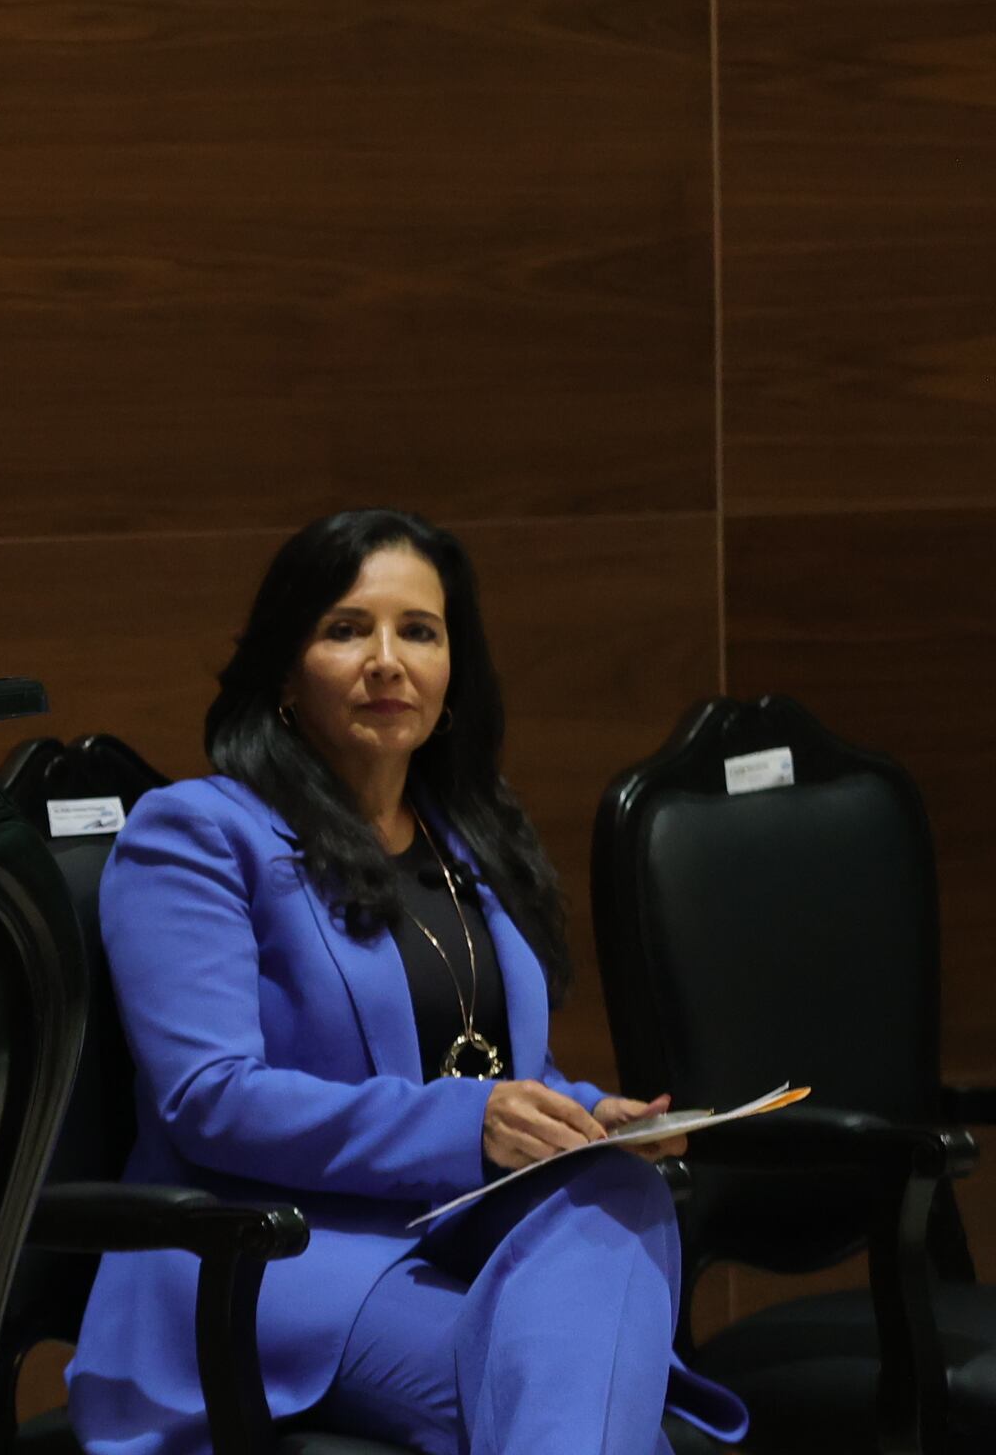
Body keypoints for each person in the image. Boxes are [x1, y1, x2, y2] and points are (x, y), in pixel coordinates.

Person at [64, 509, 746, 1455]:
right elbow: (208, 1099)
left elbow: (504, 1066)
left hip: (457, 1235)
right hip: (277, 1256)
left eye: (419, 632)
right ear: (284, 671)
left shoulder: (466, 839)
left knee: (614, 1197)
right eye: (347, 630)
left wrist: (587, 1117)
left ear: (452, 671)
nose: (388, 660)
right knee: (584, 1410)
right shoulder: (196, 834)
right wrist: (472, 1126)